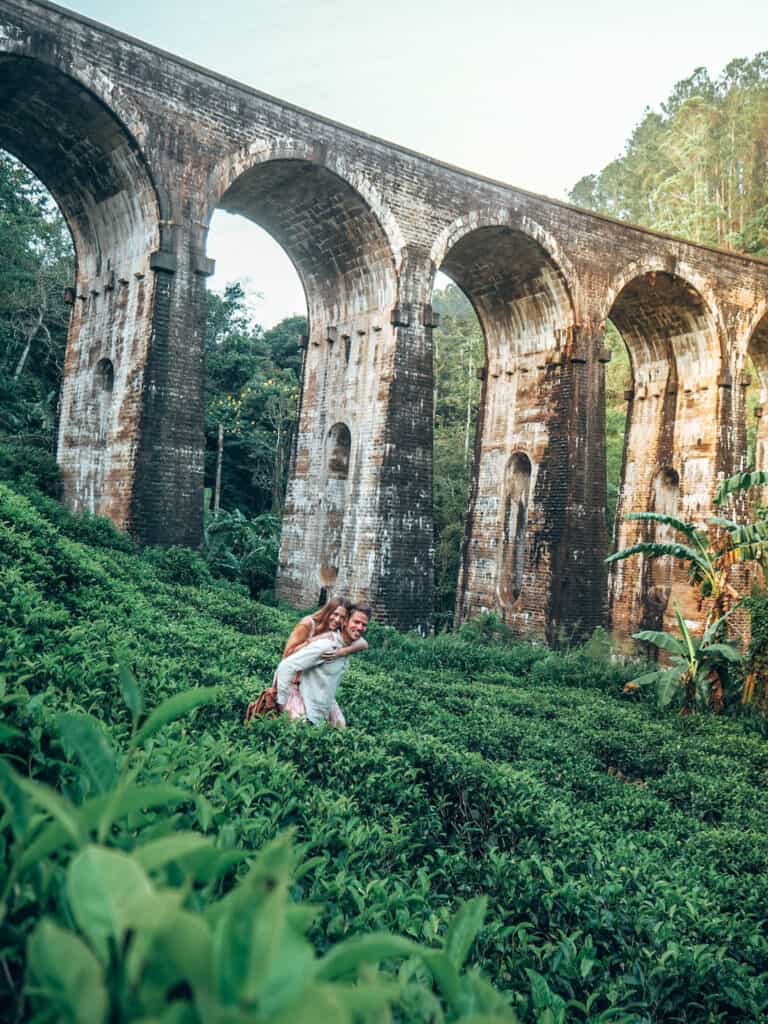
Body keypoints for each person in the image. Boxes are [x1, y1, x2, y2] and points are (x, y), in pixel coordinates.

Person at [269, 604, 370, 726]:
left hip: (324, 704)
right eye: (356, 622)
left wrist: (342, 652)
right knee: (302, 731)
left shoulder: (349, 645)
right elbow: (285, 666)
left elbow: (363, 643)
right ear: (345, 622)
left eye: (364, 624)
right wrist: (281, 703)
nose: (360, 627)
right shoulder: (326, 646)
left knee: (341, 728)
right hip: (306, 705)